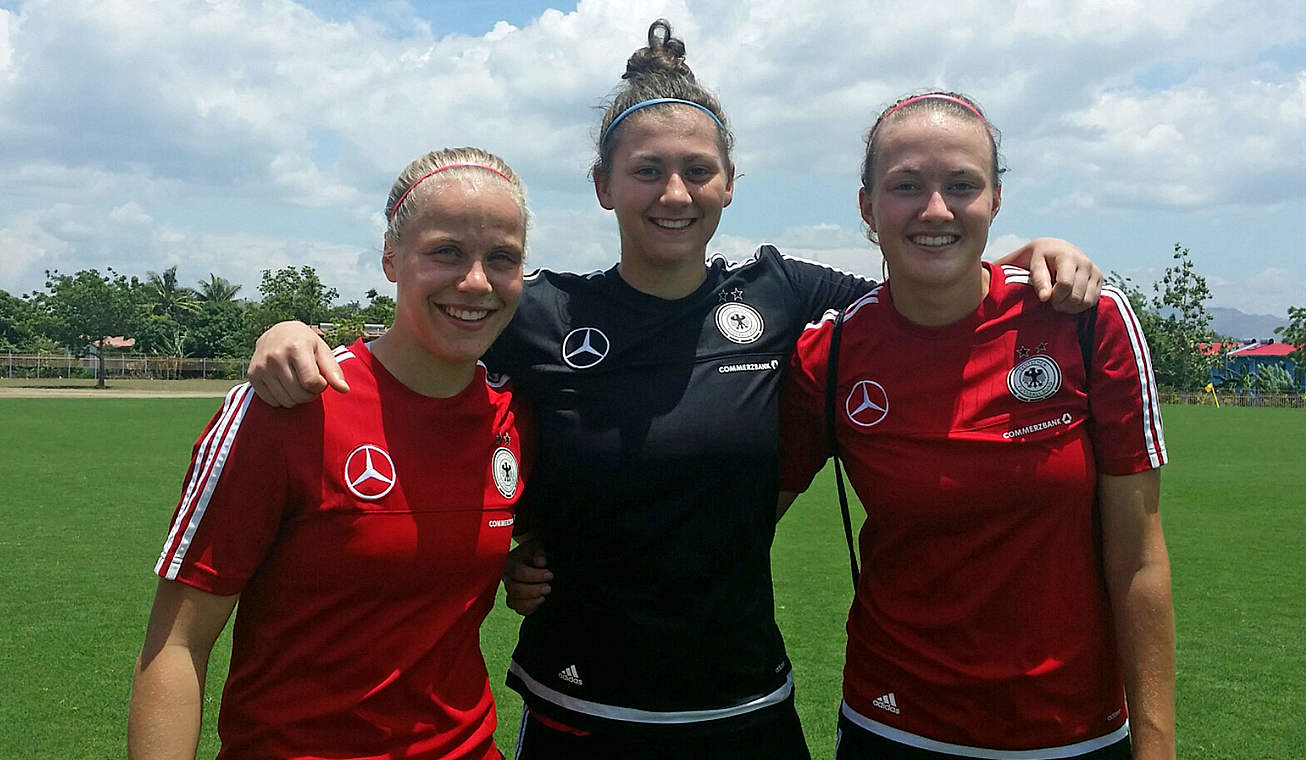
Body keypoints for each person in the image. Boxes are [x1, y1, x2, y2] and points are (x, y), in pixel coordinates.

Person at [244, 22, 1104, 760]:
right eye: (648, 170)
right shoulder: (535, 311)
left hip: (746, 705)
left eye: (698, 170)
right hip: (579, 705)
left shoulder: (785, 296)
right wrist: (294, 336)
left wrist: (1031, 252)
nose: (675, 193)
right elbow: (417, 359)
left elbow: (927, 285)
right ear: (603, 186)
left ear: (730, 184)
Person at [778, 92, 1174, 759]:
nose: (935, 209)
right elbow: (728, 525)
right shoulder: (833, 352)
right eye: (906, 186)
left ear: (994, 200)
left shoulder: (1086, 321)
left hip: (1071, 736)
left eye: (961, 185)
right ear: (868, 208)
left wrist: (1156, 747)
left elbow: (1139, 558)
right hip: (891, 727)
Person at [127, 148, 535, 760]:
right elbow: (179, 644)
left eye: (501, 258)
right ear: (391, 260)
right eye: (446, 250)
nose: (475, 280)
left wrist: (526, 565)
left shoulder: (517, 416)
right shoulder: (289, 406)